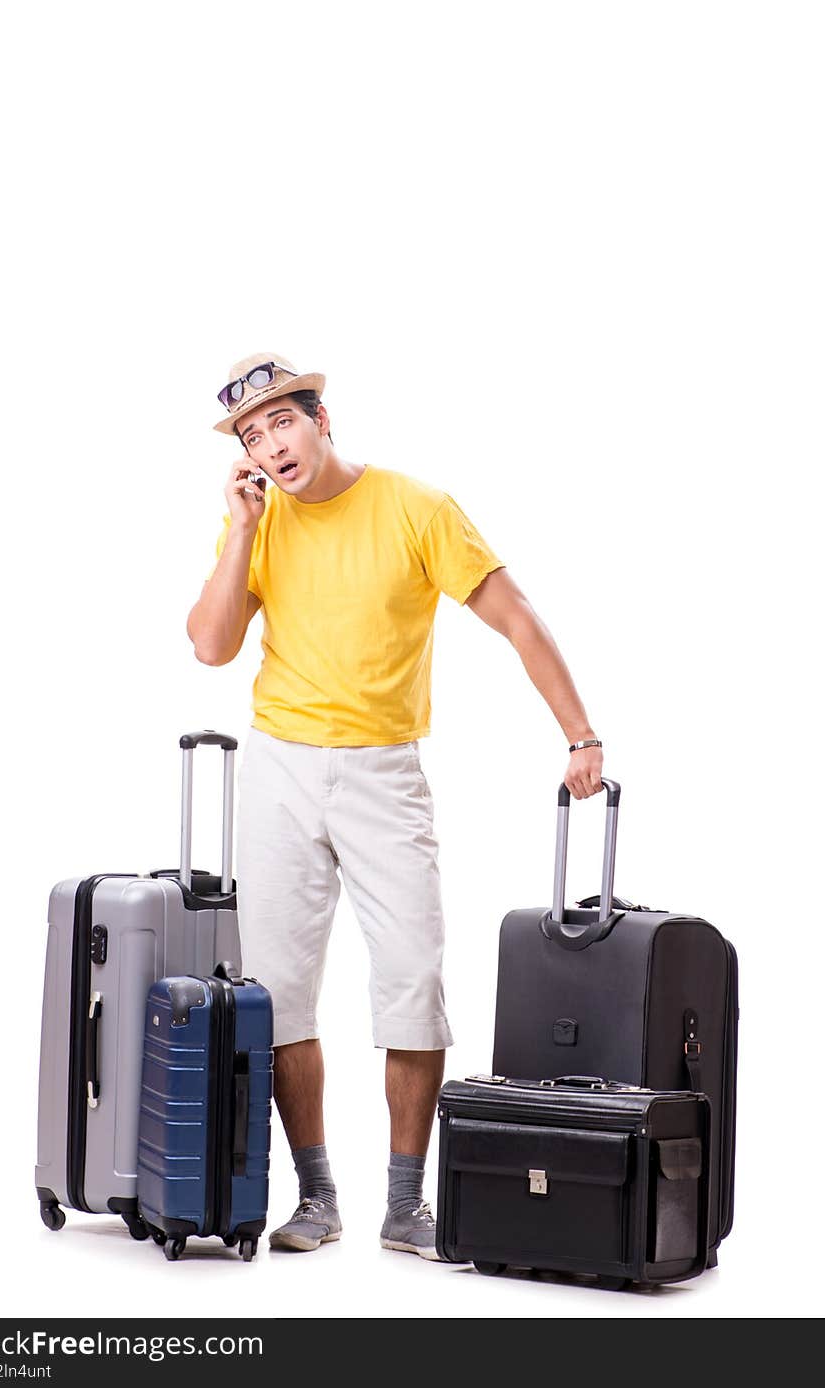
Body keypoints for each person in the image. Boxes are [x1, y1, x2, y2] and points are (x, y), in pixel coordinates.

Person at [187, 352, 605, 1260]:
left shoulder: (416, 507)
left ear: (322, 418)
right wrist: (237, 529)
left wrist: (580, 735)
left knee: (413, 983)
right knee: (277, 994)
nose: (270, 445)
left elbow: (517, 616)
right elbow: (211, 646)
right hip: (281, 768)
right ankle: (317, 1194)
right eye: (252, 437)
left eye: (281, 423)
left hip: (383, 771)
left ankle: (406, 1204)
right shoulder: (259, 523)